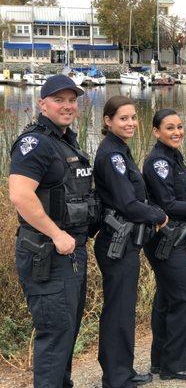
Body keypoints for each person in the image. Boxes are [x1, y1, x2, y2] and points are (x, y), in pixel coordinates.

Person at [9, 75, 96, 387]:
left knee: (67, 331)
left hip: (69, 252)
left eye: (72, 100)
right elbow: (20, 195)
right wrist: (57, 234)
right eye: (59, 100)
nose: (67, 105)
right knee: (55, 333)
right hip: (47, 251)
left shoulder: (64, 139)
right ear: (42, 103)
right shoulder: (35, 144)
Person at [93, 95, 168, 387]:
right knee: (118, 310)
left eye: (134, 117)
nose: (131, 123)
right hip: (117, 242)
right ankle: (116, 376)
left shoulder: (119, 150)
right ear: (108, 121)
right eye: (123, 118)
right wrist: (158, 215)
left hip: (124, 242)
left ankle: (121, 370)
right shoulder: (112, 155)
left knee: (123, 308)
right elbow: (128, 202)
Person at [142, 109, 186, 380]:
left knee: (167, 299)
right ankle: (177, 364)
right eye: (169, 128)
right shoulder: (158, 161)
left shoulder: (174, 156)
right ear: (156, 132)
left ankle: (160, 361)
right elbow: (167, 204)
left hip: (175, 237)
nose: (177, 132)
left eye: (179, 126)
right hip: (164, 240)